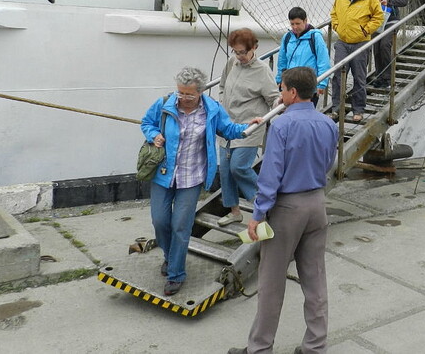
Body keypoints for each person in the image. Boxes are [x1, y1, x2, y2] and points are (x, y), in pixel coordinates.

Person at [228, 67, 338, 354]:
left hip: (287, 207)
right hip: (316, 202)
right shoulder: (328, 124)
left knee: (271, 282)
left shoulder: (281, 125)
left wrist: (258, 214)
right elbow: (328, 164)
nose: (280, 93)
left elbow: (271, 173)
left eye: (282, 88)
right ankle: (315, 346)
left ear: (291, 92)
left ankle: (260, 348)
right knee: (315, 280)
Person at [141, 67, 261, 296]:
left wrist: (248, 127)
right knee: (160, 222)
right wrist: (153, 135)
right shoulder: (165, 104)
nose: (183, 98)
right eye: (181, 93)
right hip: (163, 174)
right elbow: (147, 123)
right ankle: (169, 256)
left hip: (192, 177)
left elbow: (229, 129)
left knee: (180, 226)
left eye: (189, 95)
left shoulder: (212, 110)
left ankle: (176, 274)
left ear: (201, 92)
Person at [216, 29, 280, 227]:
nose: (239, 56)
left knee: (239, 167)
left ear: (255, 48)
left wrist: (280, 108)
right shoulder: (231, 63)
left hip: (249, 128)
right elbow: (222, 86)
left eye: (243, 52)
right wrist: (221, 105)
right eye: (236, 52)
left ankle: (264, 205)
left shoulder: (262, 71)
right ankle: (234, 211)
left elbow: (273, 98)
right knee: (226, 171)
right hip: (227, 126)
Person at [329, 0, 384, 122]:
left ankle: (358, 109)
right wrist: (337, 26)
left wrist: (366, 30)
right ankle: (336, 108)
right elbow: (334, 14)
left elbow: (378, 17)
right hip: (342, 42)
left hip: (361, 43)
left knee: (359, 77)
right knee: (338, 75)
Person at [276, 7, 331, 106]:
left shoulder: (315, 37)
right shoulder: (287, 37)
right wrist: (280, 79)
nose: (295, 27)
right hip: (290, 84)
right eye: (292, 24)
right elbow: (282, 60)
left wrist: (321, 84)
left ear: (305, 21)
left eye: (298, 24)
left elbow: (323, 61)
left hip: (308, 86)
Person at [370, 0, 409, 88]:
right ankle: (379, 76)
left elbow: (404, 0)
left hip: (392, 19)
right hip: (378, 20)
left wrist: (389, 1)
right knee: (376, 49)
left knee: (385, 46)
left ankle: (387, 78)